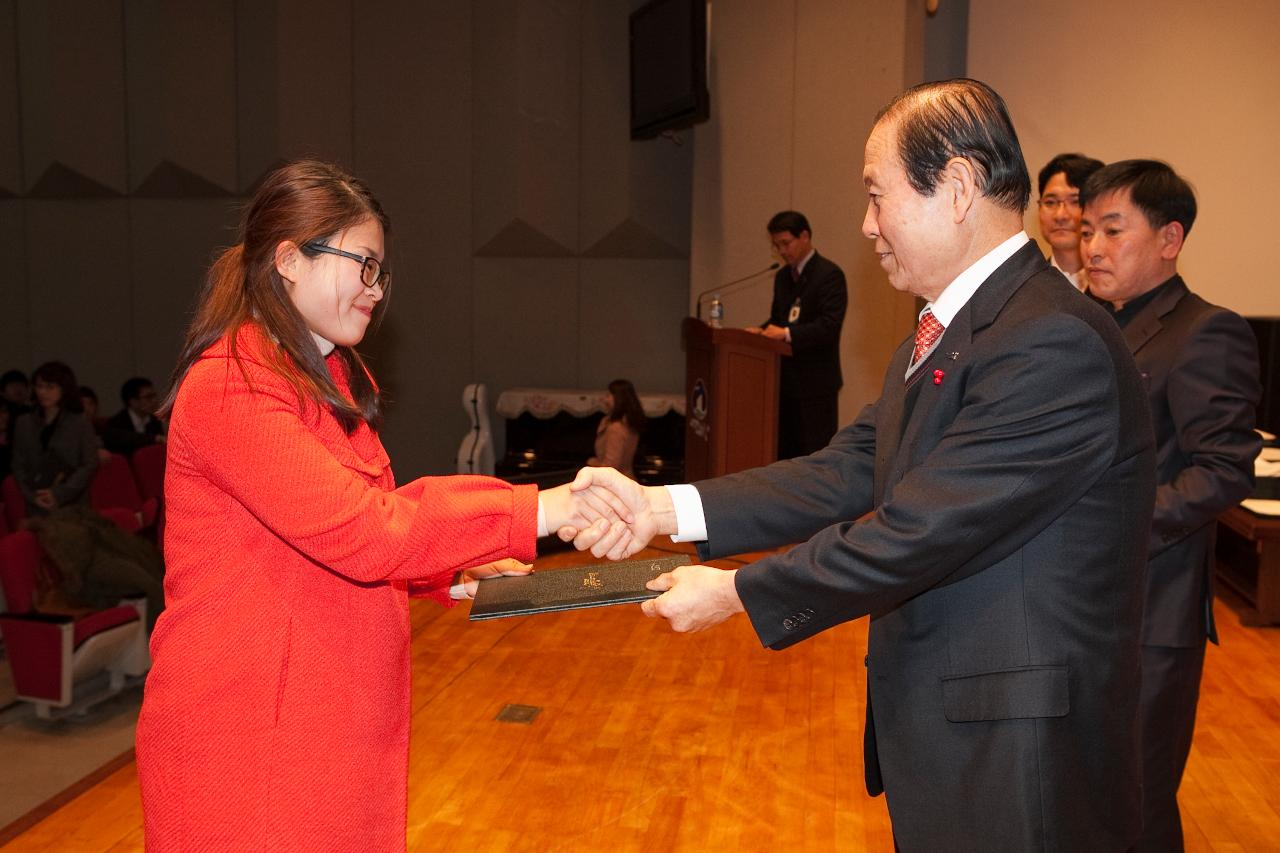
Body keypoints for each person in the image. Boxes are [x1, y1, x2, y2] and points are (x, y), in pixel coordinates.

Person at [568, 79, 1156, 851]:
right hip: (957, 737)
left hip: (1017, 758)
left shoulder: (1051, 340)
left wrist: (739, 590)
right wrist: (660, 508)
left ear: (956, 188)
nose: (867, 225)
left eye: (879, 197)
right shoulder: (957, 323)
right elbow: (848, 468)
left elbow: (919, 529)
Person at [134, 159, 632, 851]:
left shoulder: (326, 371)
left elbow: (355, 517)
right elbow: (366, 530)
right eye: (362, 265)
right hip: (253, 743)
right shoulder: (232, 387)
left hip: (323, 722)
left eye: (381, 272)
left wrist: (446, 571)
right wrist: (543, 509)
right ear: (288, 259)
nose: (375, 290)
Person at [1080, 159, 1261, 852]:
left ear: (1169, 238)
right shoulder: (1096, 324)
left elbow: (1222, 471)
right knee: (1092, 797)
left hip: (1151, 612)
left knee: (1138, 806)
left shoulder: (1205, 331)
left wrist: (1108, 528)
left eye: (1113, 229)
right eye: (1089, 229)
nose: (1094, 246)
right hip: (1085, 605)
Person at [749, 211, 847, 459]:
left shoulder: (829, 275)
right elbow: (779, 318)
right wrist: (760, 332)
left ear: (804, 236)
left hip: (815, 386)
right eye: (776, 245)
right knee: (785, 456)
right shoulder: (782, 277)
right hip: (784, 385)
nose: (781, 251)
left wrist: (786, 333)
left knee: (813, 456)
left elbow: (829, 326)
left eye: (785, 243)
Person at [10, 361, 99, 515]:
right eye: (39, 386)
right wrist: (32, 497)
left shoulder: (79, 422)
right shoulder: (23, 422)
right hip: (36, 504)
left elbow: (89, 464)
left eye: (50, 387)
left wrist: (59, 494)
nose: (43, 392)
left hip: (72, 504)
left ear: (64, 389)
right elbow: (18, 466)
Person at [1036, 152, 1104, 291]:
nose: (1060, 215)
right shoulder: (1027, 287)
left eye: (1075, 201)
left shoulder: (1117, 288)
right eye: (1050, 202)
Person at [587, 379, 645, 476]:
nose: (605, 400)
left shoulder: (616, 427)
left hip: (617, 484)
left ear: (618, 398)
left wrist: (592, 462)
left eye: (608, 395)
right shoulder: (629, 422)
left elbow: (611, 466)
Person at [102, 376, 166, 456]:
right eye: (148, 397)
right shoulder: (116, 423)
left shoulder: (154, 420)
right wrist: (155, 438)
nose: (154, 400)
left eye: (154, 396)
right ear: (133, 401)